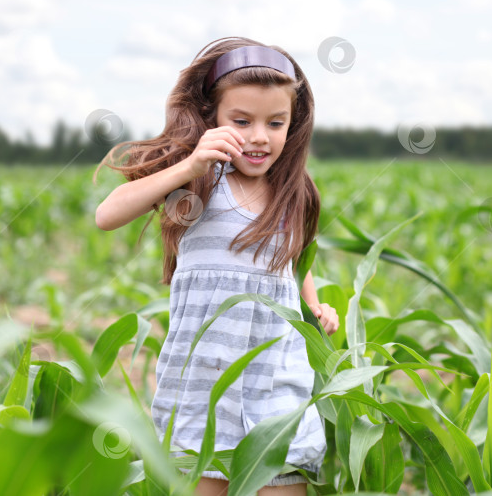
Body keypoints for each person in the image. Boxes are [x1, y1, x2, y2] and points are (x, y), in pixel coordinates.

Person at [94, 37, 340, 496]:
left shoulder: (293, 193)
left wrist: (315, 306)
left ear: (293, 125)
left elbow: (294, 260)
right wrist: (189, 164)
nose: (259, 136)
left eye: (275, 123)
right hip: (203, 388)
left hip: (275, 387)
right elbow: (107, 215)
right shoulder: (200, 181)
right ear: (213, 118)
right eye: (241, 121)